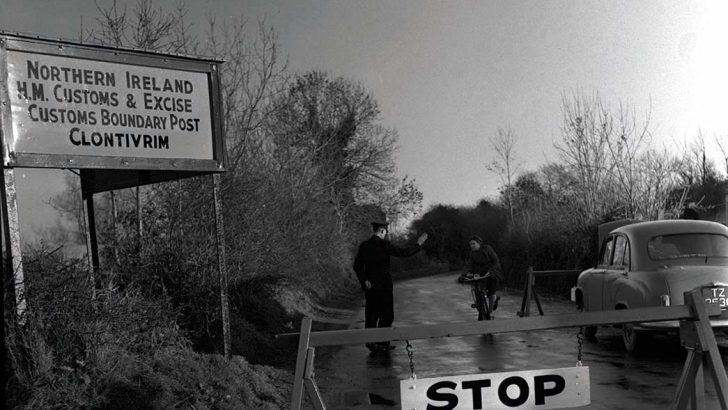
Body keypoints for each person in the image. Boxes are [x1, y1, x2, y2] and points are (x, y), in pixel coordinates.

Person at [353, 220, 428, 353]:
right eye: (386, 232)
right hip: (384, 286)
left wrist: (364, 280)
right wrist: (418, 244)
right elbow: (404, 253)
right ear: (382, 231)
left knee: (371, 315)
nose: (386, 234)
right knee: (386, 315)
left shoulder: (364, 246)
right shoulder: (384, 245)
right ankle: (383, 343)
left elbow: (357, 266)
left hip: (370, 287)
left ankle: (371, 343)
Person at [463, 235, 502, 318]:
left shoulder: (487, 249)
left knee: (491, 293)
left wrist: (491, 270)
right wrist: (466, 274)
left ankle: (490, 313)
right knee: (477, 290)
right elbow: (470, 264)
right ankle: (481, 309)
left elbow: (495, 260)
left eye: (473, 244)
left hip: (492, 273)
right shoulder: (472, 253)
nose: (471, 246)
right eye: (470, 244)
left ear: (479, 243)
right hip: (480, 274)